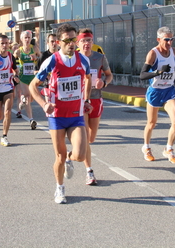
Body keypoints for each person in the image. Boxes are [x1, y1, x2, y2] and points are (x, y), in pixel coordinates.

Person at [29, 23, 92, 204]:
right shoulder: (52, 61)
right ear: (58, 42)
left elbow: (88, 79)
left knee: (79, 154)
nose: (72, 44)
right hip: (56, 116)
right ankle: (60, 188)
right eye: (67, 40)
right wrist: (43, 104)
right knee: (59, 156)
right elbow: (33, 86)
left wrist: (86, 100)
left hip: (75, 114)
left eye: (74, 40)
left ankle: (69, 161)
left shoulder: (83, 60)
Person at [139, 26, 175, 164]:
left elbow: (173, 68)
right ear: (159, 39)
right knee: (151, 123)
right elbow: (143, 75)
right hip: (155, 91)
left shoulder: (174, 52)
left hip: (169, 91)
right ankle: (146, 147)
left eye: (171, 39)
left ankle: (169, 149)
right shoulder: (153, 54)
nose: (169, 43)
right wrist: (158, 72)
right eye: (166, 40)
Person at [77, 28, 113, 185]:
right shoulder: (73, 58)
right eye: (83, 41)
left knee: (91, 138)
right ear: (78, 43)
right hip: (80, 100)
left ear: (93, 42)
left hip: (96, 99)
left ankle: (73, 153)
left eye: (89, 40)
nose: (86, 44)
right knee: (84, 137)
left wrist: (104, 82)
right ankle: (89, 171)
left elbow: (109, 74)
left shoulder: (99, 57)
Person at [14, 30, 41, 129]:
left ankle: (22, 102)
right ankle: (31, 119)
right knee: (28, 96)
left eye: (29, 37)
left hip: (33, 78)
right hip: (23, 77)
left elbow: (41, 59)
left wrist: (36, 58)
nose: (27, 39)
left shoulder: (35, 49)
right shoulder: (18, 51)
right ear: (21, 39)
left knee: (32, 98)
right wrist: (14, 74)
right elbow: (12, 63)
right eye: (25, 37)